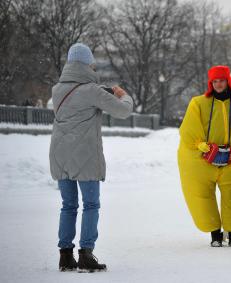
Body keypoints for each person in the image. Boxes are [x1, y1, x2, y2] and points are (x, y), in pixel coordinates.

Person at [49, 43, 134, 272]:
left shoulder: (57, 90)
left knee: (68, 205)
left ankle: (65, 256)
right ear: (88, 64)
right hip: (84, 156)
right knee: (91, 204)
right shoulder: (92, 91)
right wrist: (122, 95)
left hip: (59, 155)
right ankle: (86, 254)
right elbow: (123, 110)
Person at [178, 65, 231, 247]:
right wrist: (199, 144)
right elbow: (188, 129)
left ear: (228, 81)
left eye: (221, 80)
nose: (218, 84)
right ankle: (215, 233)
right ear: (210, 83)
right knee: (202, 196)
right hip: (205, 158)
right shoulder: (198, 103)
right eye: (214, 81)